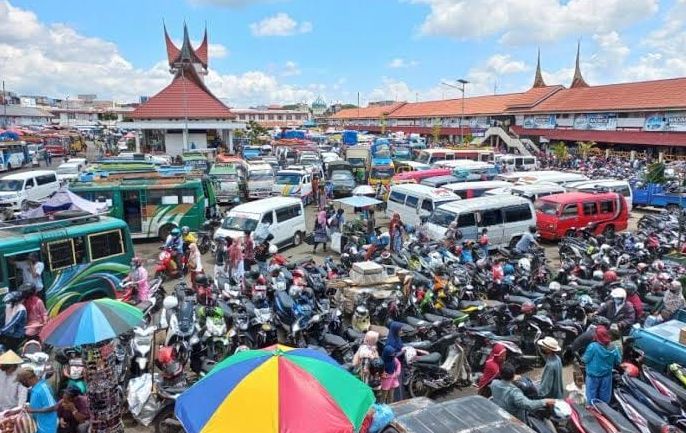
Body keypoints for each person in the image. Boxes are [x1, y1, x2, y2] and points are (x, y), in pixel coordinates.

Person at [490, 363, 555, 422]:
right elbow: (529, 405)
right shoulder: (514, 393)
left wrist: (512, 379)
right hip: (515, 420)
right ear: (513, 375)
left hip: (502, 413)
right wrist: (544, 401)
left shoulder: (494, 383)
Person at [582, 325, 621, 404]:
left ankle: (592, 410)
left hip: (593, 376)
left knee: (591, 395)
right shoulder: (614, 347)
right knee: (604, 396)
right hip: (606, 375)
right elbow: (618, 361)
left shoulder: (593, 346)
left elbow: (585, 360)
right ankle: (604, 411)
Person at [17, 367, 58, 433]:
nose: (22, 384)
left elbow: (54, 407)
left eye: (22, 382)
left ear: (28, 379)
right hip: (38, 427)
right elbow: (35, 405)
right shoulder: (34, 389)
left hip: (47, 428)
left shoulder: (43, 388)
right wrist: (15, 411)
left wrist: (33, 410)